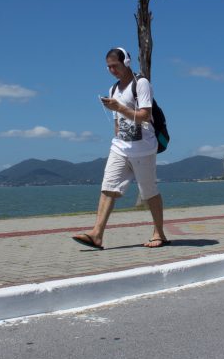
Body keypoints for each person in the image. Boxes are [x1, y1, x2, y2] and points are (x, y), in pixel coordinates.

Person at [71, 47, 169, 250]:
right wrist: (118, 130)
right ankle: (97, 234)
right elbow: (117, 121)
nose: (112, 70)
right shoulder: (114, 89)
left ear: (126, 62)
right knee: (108, 188)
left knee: (149, 191)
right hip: (120, 147)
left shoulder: (141, 84)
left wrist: (119, 108)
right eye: (108, 67)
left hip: (143, 148)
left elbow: (144, 114)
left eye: (115, 65)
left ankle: (159, 233)